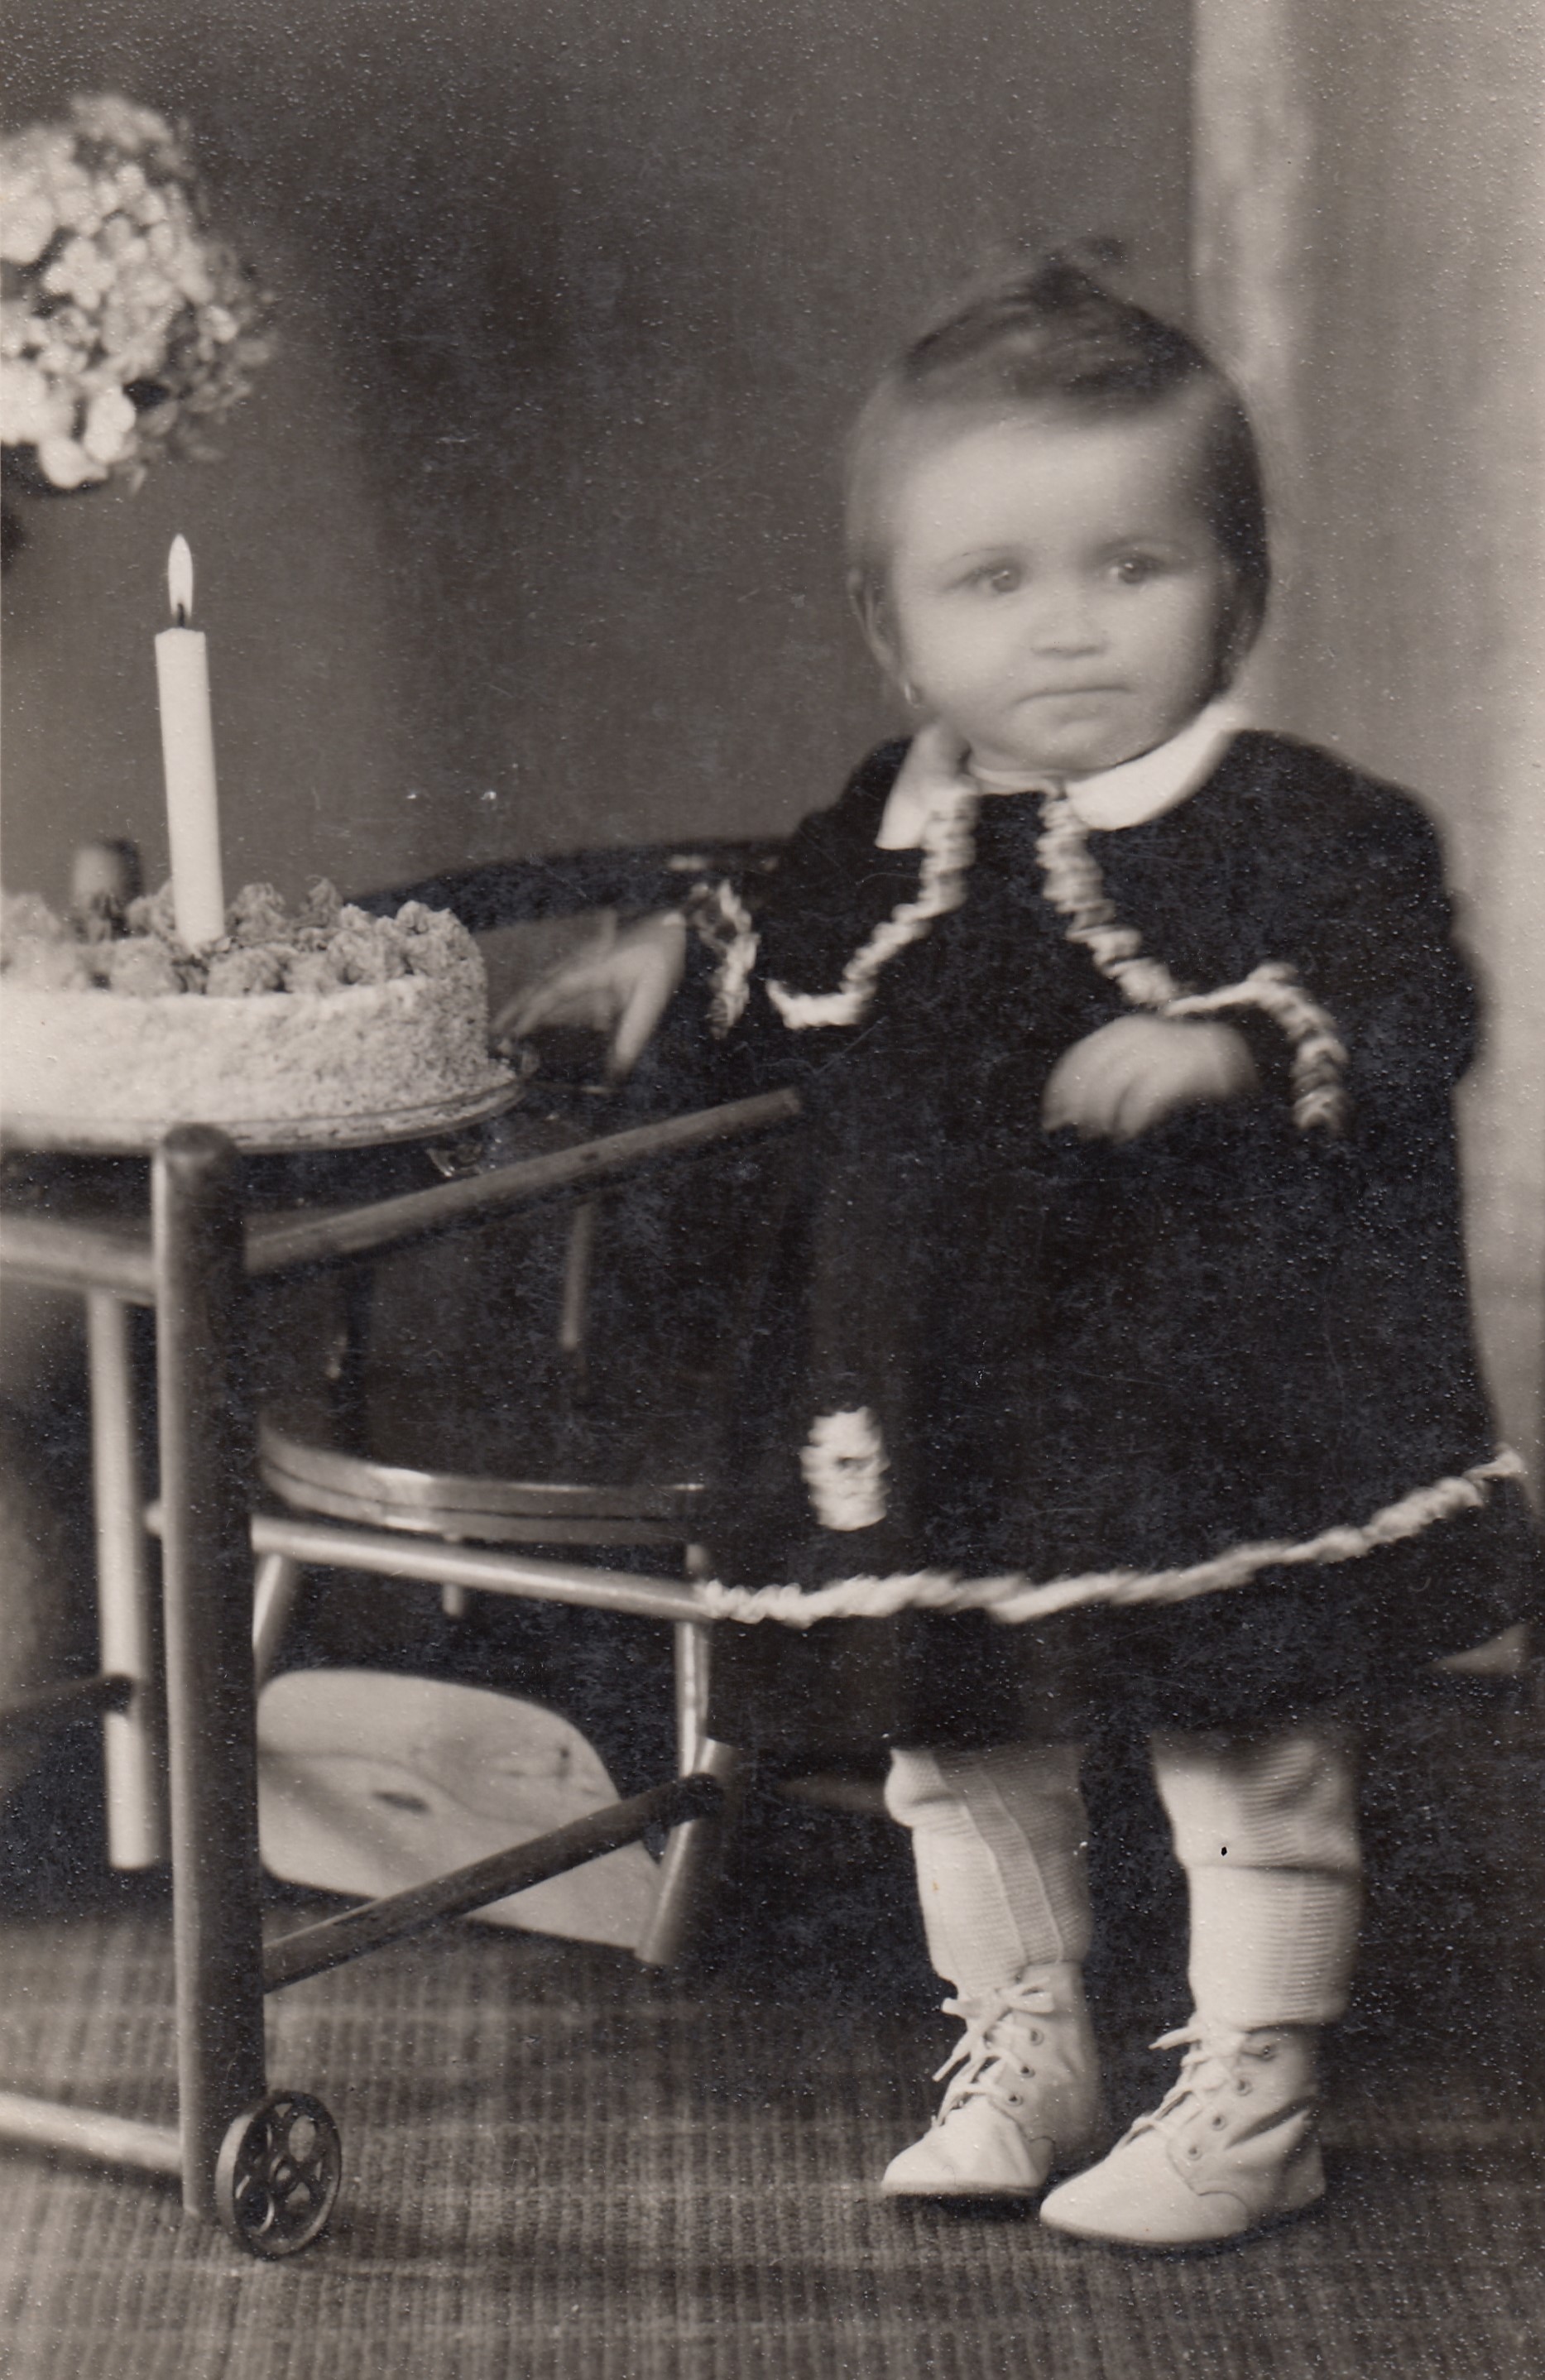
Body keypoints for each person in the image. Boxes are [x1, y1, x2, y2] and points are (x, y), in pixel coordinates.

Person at [505, 258, 1543, 2248]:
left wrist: (1235, 1041)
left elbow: (1409, 993)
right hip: (945, 1389)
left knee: (1239, 1722)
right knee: (955, 1723)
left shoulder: (1294, 824)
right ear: (889, 631)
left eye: (1129, 566)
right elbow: (782, 931)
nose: (1065, 626)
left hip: (1207, 1394)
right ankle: (1024, 2038)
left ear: (1237, 591)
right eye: (990, 582)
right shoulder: (881, 827)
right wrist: (675, 951)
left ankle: (1256, 2088)